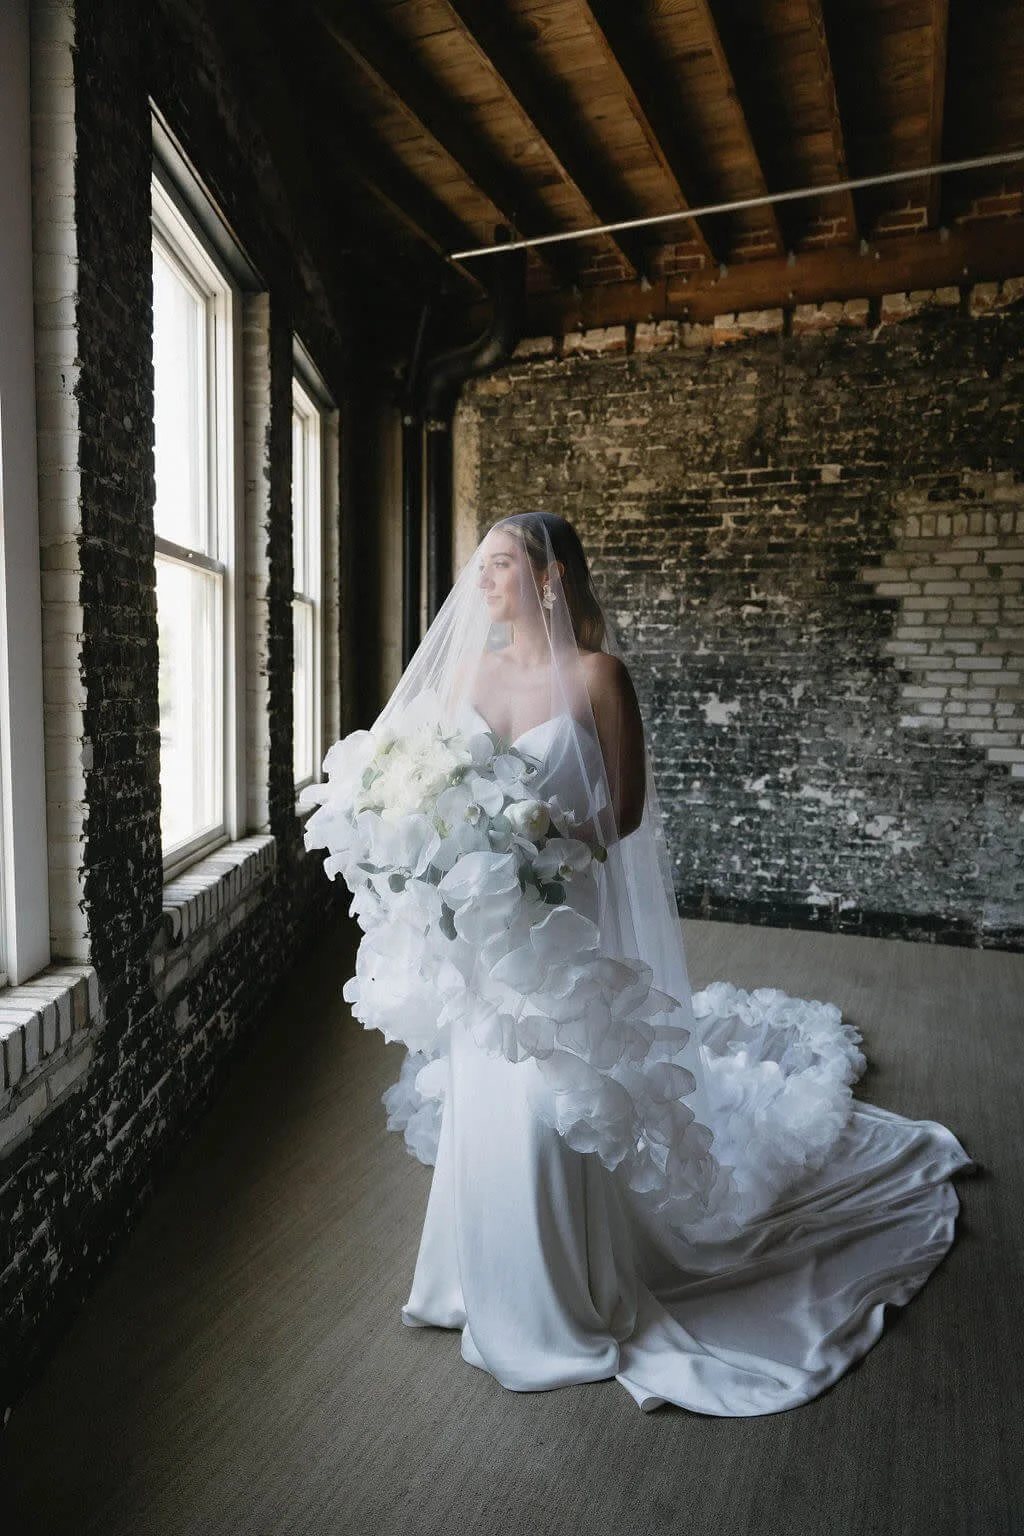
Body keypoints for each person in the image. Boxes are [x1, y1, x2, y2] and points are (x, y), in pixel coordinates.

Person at [307, 511, 972, 1416]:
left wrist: (527, 844)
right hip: (479, 925)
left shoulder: (597, 676)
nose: (485, 581)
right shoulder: (462, 672)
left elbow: (621, 817)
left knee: (554, 1101)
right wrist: (443, 843)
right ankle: (467, 1282)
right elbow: (407, 781)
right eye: (483, 565)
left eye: (503, 565)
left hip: (559, 915)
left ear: (550, 577)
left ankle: (560, 1300)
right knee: (486, 1094)